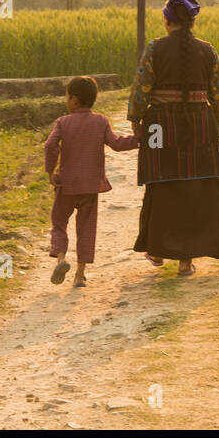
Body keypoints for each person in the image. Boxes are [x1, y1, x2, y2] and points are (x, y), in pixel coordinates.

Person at [128, 0, 219, 276]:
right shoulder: (208, 50)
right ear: (191, 21)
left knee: (159, 182)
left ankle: (156, 248)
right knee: (195, 189)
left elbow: (141, 91)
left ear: (167, 21)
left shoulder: (154, 49)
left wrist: (136, 119)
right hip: (201, 123)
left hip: (157, 128)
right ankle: (185, 262)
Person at [44, 75, 138, 288]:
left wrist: (51, 171)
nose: (66, 101)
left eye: (67, 97)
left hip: (66, 185)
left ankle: (61, 259)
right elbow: (116, 143)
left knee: (59, 223)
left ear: (74, 100)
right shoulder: (101, 121)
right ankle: (79, 275)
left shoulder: (63, 122)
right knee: (86, 228)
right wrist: (140, 139)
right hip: (90, 186)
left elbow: (50, 145)